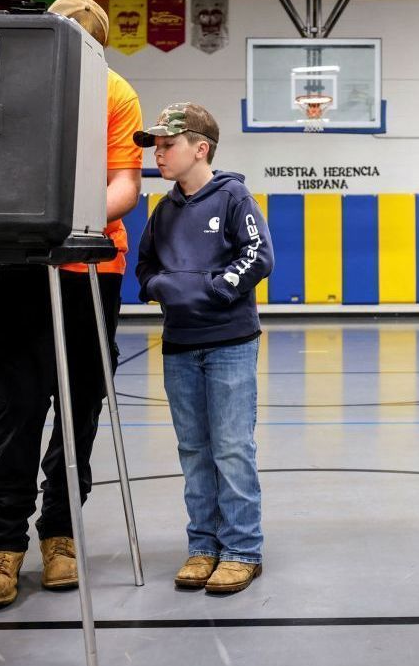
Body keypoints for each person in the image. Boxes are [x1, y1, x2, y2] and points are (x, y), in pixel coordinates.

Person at [0, 0, 144, 610]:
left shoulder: (116, 93)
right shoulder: (10, 86)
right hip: (20, 270)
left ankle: (60, 533)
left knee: (80, 406)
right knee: (14, 407)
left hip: (93, 268)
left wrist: (65, 221)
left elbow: (125, 183)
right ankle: (3, 545)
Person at [134, 102, 274, 593]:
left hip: (230, 344)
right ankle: (202, 546)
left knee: (232, 448)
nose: (158, 154)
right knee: (194, 450)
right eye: (155, 145)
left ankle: (241, 549)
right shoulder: (163, 210)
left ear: (200, 148)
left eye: (167, 145)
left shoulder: (233, 197)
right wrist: (159, 288)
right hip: (179, 346)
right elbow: (145, 265)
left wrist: (214, 290)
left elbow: (259, 256)